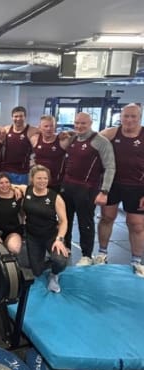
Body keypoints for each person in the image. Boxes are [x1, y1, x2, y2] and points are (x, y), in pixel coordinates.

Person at [61, 112, 115, 265]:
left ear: (91, 123)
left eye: (83, 123)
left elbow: (110, 167)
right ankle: (65, 248)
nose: (79, 126)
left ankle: (86, 255)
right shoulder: (73, 138)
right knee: (65, 219)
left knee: (85, 222)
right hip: (68, 186)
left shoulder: (101, 141)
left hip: (87, 188)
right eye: (77, 123)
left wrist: (104, 191)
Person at [97, 103, 144, 276]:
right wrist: (68, 136)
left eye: (133, 116)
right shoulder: (111, 133)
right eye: (126, 116)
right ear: (121, 117)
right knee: (107, 218)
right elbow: (89, 138)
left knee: (136, 224)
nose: (129, 120)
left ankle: (136, 261)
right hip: (113, 184)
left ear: (140, 117)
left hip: (138, 187)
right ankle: (102, 253)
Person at [18, 165, 69, 293]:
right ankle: (45, 260)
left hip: (51, 236)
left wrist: (59, 240)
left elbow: (63, 221)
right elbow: (7, 185)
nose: (42, 181)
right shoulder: (26, 190)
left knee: (60, 261)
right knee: (37, 271)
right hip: (32, 236)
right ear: (32, 179)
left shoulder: (55, 197)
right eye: (39, 178)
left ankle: (54, 274)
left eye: (45, 178)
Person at [30, 115, 69, 192]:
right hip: (38, 182)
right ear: (40, 127)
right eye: (46, 126)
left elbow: (79, 135)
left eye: (51, 126)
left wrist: (68, 132)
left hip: (56, 183)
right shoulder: (34, 139)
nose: (49, 129)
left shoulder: (63, 140)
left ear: (55, 127)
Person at [0, 106, 39, 184]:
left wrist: (63, 134)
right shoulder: (6, 129)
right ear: (12, 117)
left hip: (22, 171)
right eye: (16, 116)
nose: (18, 119)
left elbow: (46, 132)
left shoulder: (32, 130)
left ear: (25, 117)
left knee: (21, 191)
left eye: (21, 116)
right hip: (7, 170)